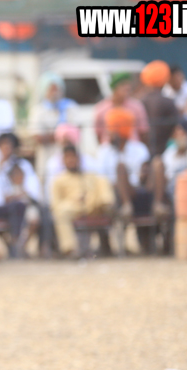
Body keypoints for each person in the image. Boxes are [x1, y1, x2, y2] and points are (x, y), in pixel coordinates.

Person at [95, 108, 152, 252]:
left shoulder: (139, 149)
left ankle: (129, 210)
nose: (108, 133)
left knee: (122, 169)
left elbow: (141, 177)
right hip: (113, 194)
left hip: (137, 193)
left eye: (111, 130)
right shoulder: (103, 151)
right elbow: (100, 178)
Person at [49, 144, 115, 257]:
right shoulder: (58, 180)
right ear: (63, 160)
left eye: (73, 157)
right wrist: (75, 200)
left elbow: (97, 191)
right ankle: (70, 249)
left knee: (102, 181)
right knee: (60, 213)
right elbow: (55, 204)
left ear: (78, 159)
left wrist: (89, 197)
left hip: (93, 205)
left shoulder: (90, 176)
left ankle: (109, 207)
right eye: (68, 157)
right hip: (73, 207)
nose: (71, 160)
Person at [30, 73, 79, 181]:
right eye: (52, 89)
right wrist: (61, 135)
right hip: (47, 157)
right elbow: (37, 137)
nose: (55, 92)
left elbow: (77, 130)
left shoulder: (70, 107)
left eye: (57, 89)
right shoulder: (38, 111)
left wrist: (63, 135)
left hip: (69, 158)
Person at [94, 73, 150, 146]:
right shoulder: (101, 108)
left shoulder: (137, 106)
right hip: (110, 148)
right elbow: (98, 133)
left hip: (132, 148)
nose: (127, 88)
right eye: (123, 85)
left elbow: (143, 131)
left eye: (128, 85)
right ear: (114, 87)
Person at [139, 61, 179, 162]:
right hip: (163, 151)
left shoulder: (140, 101)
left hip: (144, 151)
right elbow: (175, 126)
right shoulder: (168, 102)